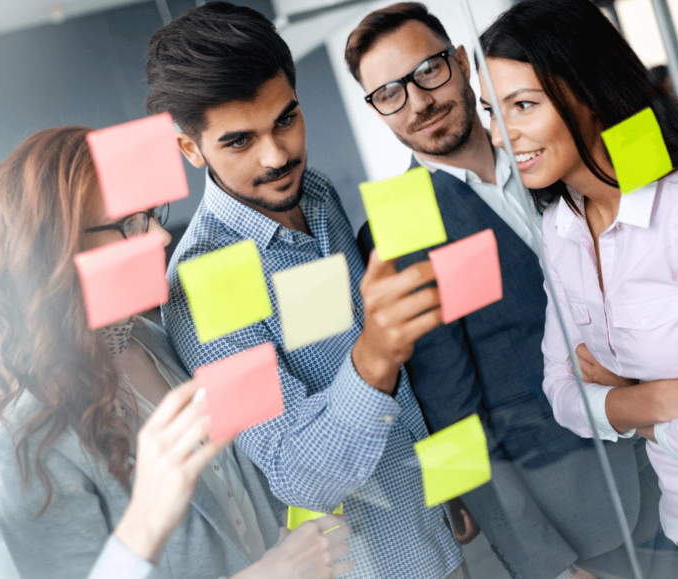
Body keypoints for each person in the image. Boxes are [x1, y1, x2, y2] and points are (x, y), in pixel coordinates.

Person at [343, 4, 678, 578]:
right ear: (377, 110)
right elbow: (448, 416)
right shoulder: (395, 225)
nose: (418, 102)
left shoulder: (558, 143)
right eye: (389, 94)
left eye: (428, 71)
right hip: (580, 508)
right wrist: (540, 562)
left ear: (463, 63)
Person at [150, 3, 464, 579]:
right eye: (240, 142)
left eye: (286, 120)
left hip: (438, 535)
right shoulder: (205, 281)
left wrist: (445, 490)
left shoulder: (314, 194)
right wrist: (376, 350)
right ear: (190, 149)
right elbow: (300, 472)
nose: (277, 157)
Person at [0, 126, 352, 579]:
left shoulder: (158, 338)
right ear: (62, 248)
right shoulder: (31, 438)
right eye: (130, 224)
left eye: (150, 214)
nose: (162, 237)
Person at [480, 0, 678, 577]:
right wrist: (662, 396)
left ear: (588, 94)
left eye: (523, 105)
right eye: (493, 110)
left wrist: (624, 403)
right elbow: (561, 394)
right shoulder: (560, 227)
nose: (501, 133)